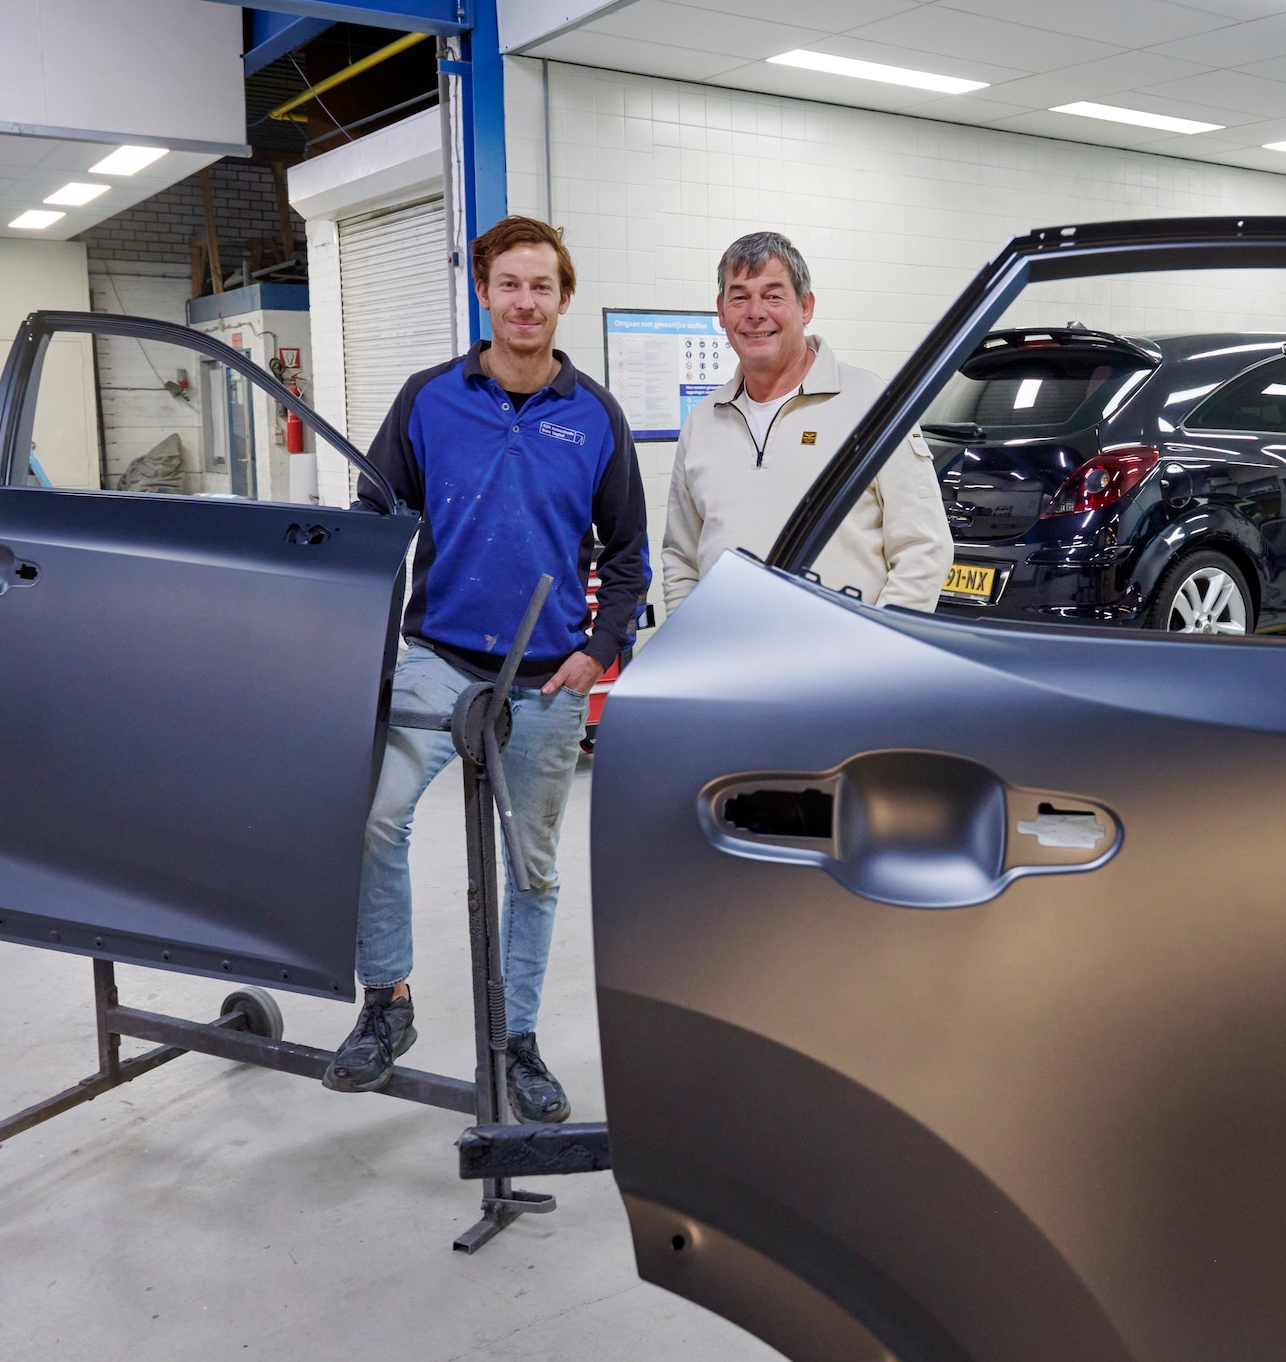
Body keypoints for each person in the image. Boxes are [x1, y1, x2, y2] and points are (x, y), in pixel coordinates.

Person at [328, 216, 649, 1119]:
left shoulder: (594, 416)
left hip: (546, 677)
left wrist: (601, 650)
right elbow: (374, 523)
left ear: (563, 296)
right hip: (435, 660)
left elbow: (629, 553)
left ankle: (517, 1042)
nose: (525, 301)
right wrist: (342, 634)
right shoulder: (430, 399)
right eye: (509, 283)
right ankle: (386, 1004)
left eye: (541, 285)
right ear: (483, 291)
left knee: (532, 870)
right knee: (374, 819)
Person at [662, 231, 950, 614]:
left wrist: (881, 648)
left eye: (773, 295)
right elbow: (681, 559)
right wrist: (690, 647)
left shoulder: (872, 404)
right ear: (721, 310)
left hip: (841, 667)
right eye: (740, 296)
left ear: (805, 305)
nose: (755, 312)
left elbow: (924, 547)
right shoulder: (702, 422)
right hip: (728, 664)